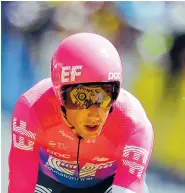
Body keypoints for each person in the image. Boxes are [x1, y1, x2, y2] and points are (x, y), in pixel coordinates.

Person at [8, 33, 153, 193]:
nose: (93, 113)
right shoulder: (33, 107)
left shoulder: (133, 123)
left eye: (103, 96)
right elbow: (20, 180)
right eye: (79, 98)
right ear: (58, 93)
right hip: (49, 183)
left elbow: (129, 187)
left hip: (106, 185)